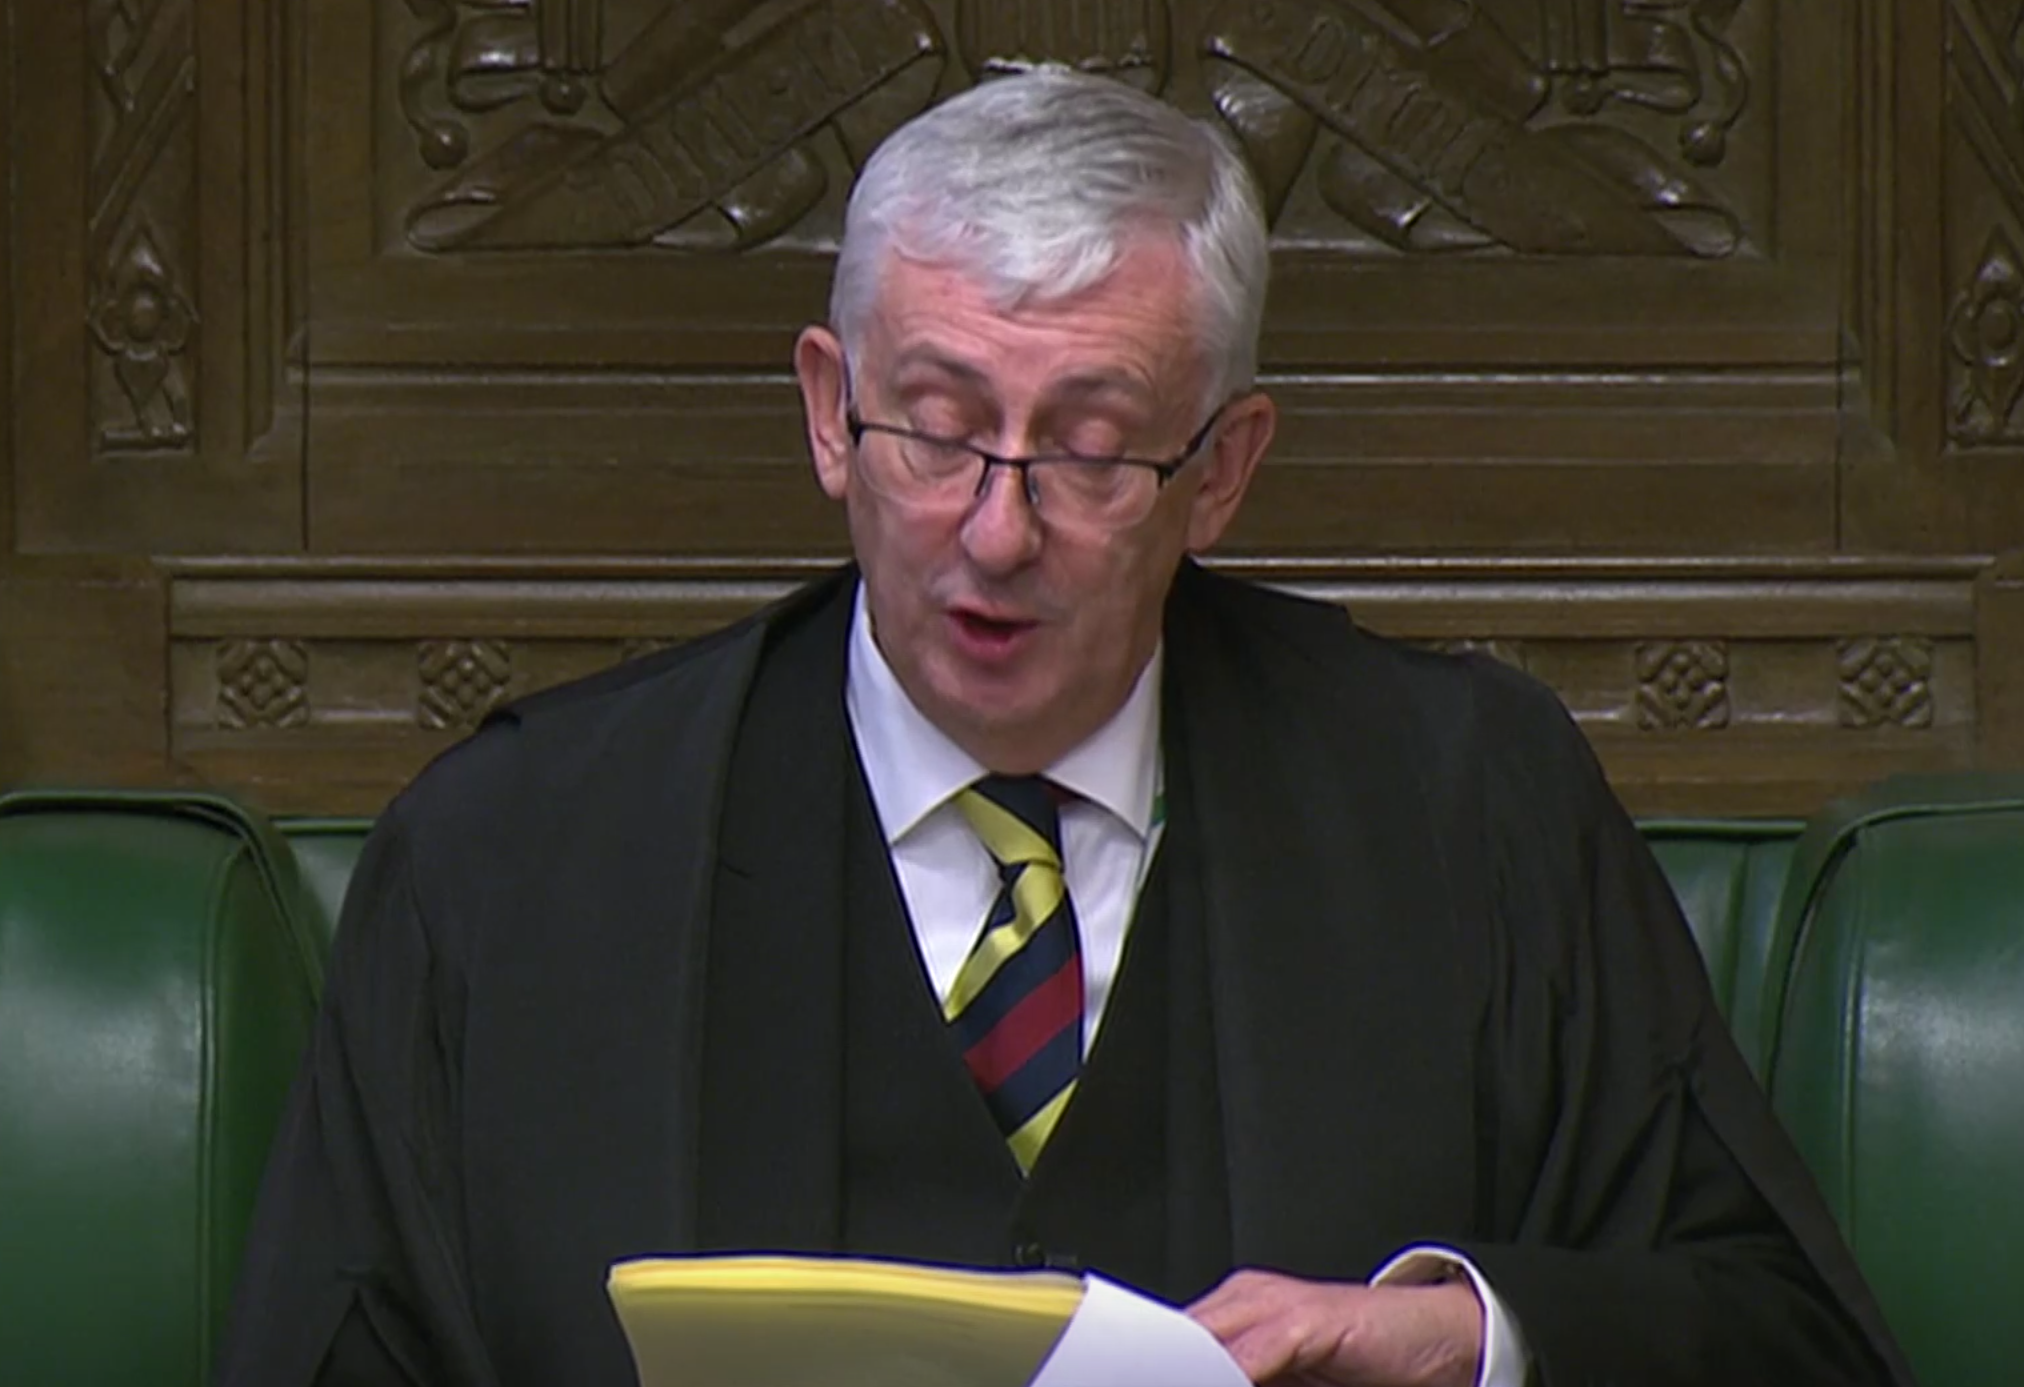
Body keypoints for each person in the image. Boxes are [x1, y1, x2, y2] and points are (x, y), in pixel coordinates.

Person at [219, 67, 1912, 1387]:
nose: (996, 529)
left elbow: (1790, 1340)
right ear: (828, 412)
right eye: (936, 428)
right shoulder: (508, 859)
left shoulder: (1470, 806)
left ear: (1223, 470)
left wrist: (1467, 1339)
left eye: (1093, 450)